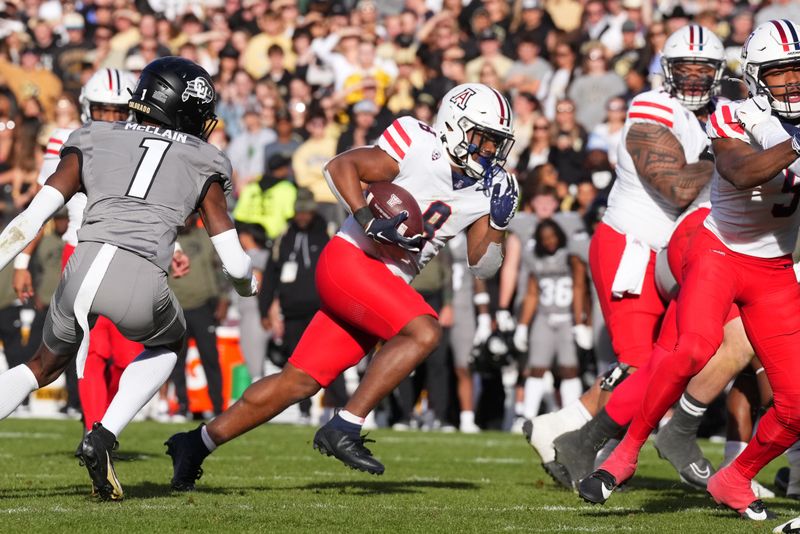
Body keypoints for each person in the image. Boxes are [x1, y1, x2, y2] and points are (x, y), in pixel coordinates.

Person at [165, 82, 519, 487]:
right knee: (424, 330)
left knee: (297, 381)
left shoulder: (488, 185)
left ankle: (196, 443)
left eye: (496, 142)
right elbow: (339, 167)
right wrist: (366, 216)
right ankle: (345, 425)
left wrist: (499, 222)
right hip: (352, 258)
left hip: (384, 284)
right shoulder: (418, 143)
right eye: (484, 138)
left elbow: (483, 266)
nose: (490, 150)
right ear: (456, 126)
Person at [0, 57, 258, 501]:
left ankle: (95, 431)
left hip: (78, 269)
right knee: (168, 343)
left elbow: (31, 218)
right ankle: (103, 435)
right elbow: (235, 264)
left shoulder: (91, 136)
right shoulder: (204, 158)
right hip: (139, 277)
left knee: (41, 365)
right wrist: (246, 286)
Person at [579, 21, 800, 521]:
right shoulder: (732, 113)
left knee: (796, 406)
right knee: (691, 348)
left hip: (775, 268)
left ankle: (736, 476)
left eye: (797, 72)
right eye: (779, 74)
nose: (791, 83)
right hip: (718, 253)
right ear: (757, 78)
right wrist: (795, 144)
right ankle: (626, 453)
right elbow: (744, 170)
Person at [523, 25, 723, 483]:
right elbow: (675, 186)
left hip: (677, 254)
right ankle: (592, 447)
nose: (694, 79)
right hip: (631, 247)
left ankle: (560, 425)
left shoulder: (717, 113)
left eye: (704, 70)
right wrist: (728, 156)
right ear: (667, 72)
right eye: (685, 69)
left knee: (666, 359)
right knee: (641, 364)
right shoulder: (652, 106)